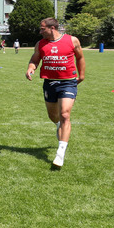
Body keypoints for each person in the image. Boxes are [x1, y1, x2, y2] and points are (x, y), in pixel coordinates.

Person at [26, 18, 85, 168]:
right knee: (53, 116)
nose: (40, 31)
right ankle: (59, 125)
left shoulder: (72, 40)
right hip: (49, 83)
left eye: (42, 29)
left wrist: (82, 75)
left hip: (68, 82)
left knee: (65, 114)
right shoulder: (41, 44)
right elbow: (35, 58)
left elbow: (80, 57)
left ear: (52, 28)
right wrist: (31, 67)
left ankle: (60, 153)